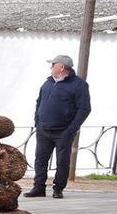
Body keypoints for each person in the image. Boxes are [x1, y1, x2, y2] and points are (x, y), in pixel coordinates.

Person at [28, 54, 91, 199]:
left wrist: (71, 130)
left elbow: (84, 109)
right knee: (40, 159)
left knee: (62, 161)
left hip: (63, 131)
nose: (51, 67)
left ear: (61, 67)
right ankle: (38, 188)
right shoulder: (47, 83)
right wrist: (37, 121)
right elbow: (39, 102)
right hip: (43, 129)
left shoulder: (79, 85)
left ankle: (58, 189)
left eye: (53, 64)